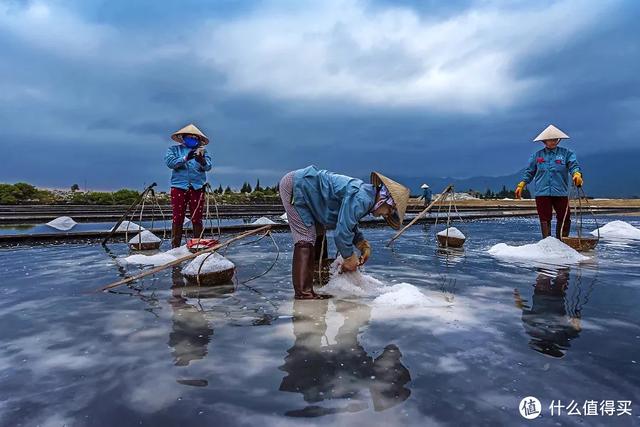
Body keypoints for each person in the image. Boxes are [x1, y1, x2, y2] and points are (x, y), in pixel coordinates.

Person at [279, 165, 410, 300]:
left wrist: (361, 243)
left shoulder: (366, 196)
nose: (386, 214)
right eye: (389, 210)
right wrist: (349, 257)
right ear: (384, 201)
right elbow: (342, 232)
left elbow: (348, 221)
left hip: (308, 191)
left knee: (318, 234)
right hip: (297, 187)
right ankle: (303, 293)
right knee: (305, 238)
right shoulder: (362, 199)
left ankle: (316, 280)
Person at [514, 125, 583, 239]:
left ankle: (562, 241)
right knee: (545, 218)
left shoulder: (566, 154)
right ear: (544, 141)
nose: (553, 142)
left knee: (564, 217)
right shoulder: (537, 156)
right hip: (542, 192)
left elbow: (573, 166)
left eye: (555, 139)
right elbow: (530, 172)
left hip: (560, 191)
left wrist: (576, 174)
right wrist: (522, 184)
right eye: (550, 139)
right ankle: (547, 242)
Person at [165, 124, 212, 248]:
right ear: (183, 137)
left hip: (197, 187)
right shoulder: (174, 150)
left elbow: (208, 167)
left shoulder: (203, 151)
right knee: (178, 217)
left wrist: (201, 161)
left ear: (198, 140)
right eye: (189, 137)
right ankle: (175, 246)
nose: (192, 139)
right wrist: (186, 158)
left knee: (197, 218)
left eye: (195, 137)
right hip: (179, 187)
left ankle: (198, 245)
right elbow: (170, 163)